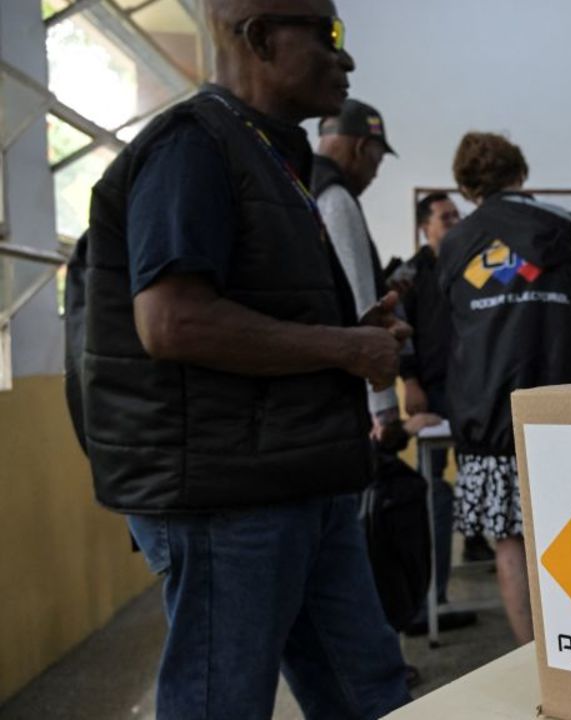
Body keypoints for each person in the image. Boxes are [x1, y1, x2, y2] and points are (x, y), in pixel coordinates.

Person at [77, 1, 412, 717]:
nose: (345, 58)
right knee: (221, 703)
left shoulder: (266, 153)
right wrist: (346, 349)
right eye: (328, 36)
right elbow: (171, 322)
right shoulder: (192, 145)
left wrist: (351, 335)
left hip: (298, 477)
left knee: (370, 694)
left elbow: (252, 312)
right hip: (228, 500)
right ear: (259, 37)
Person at [436, 132, 571, 643]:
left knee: (510, 545)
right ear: (520, 173)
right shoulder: (566, 226)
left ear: (465, 186)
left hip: (489, 417)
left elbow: (449, 331)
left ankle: (534, 664)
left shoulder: (457, 241)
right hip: (567, 412)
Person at [397, 193, 484, 636]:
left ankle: (476, 546)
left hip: (477, 393)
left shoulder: (476, 262)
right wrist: (409, 379)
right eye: (444, 218)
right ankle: (433, 598)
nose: (453, 223)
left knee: (482, 477)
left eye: (457, 216)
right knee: (433, 493)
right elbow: (397, 331)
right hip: (432, 395)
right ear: (424, 228)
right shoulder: (408, 275)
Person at [314, 97, 401, 438]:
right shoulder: (336, 198)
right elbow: (360, 303)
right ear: (362, 148)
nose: (376, 174)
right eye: (377, 161)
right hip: (340, 400)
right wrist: (383, 406)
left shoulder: (295, 181)